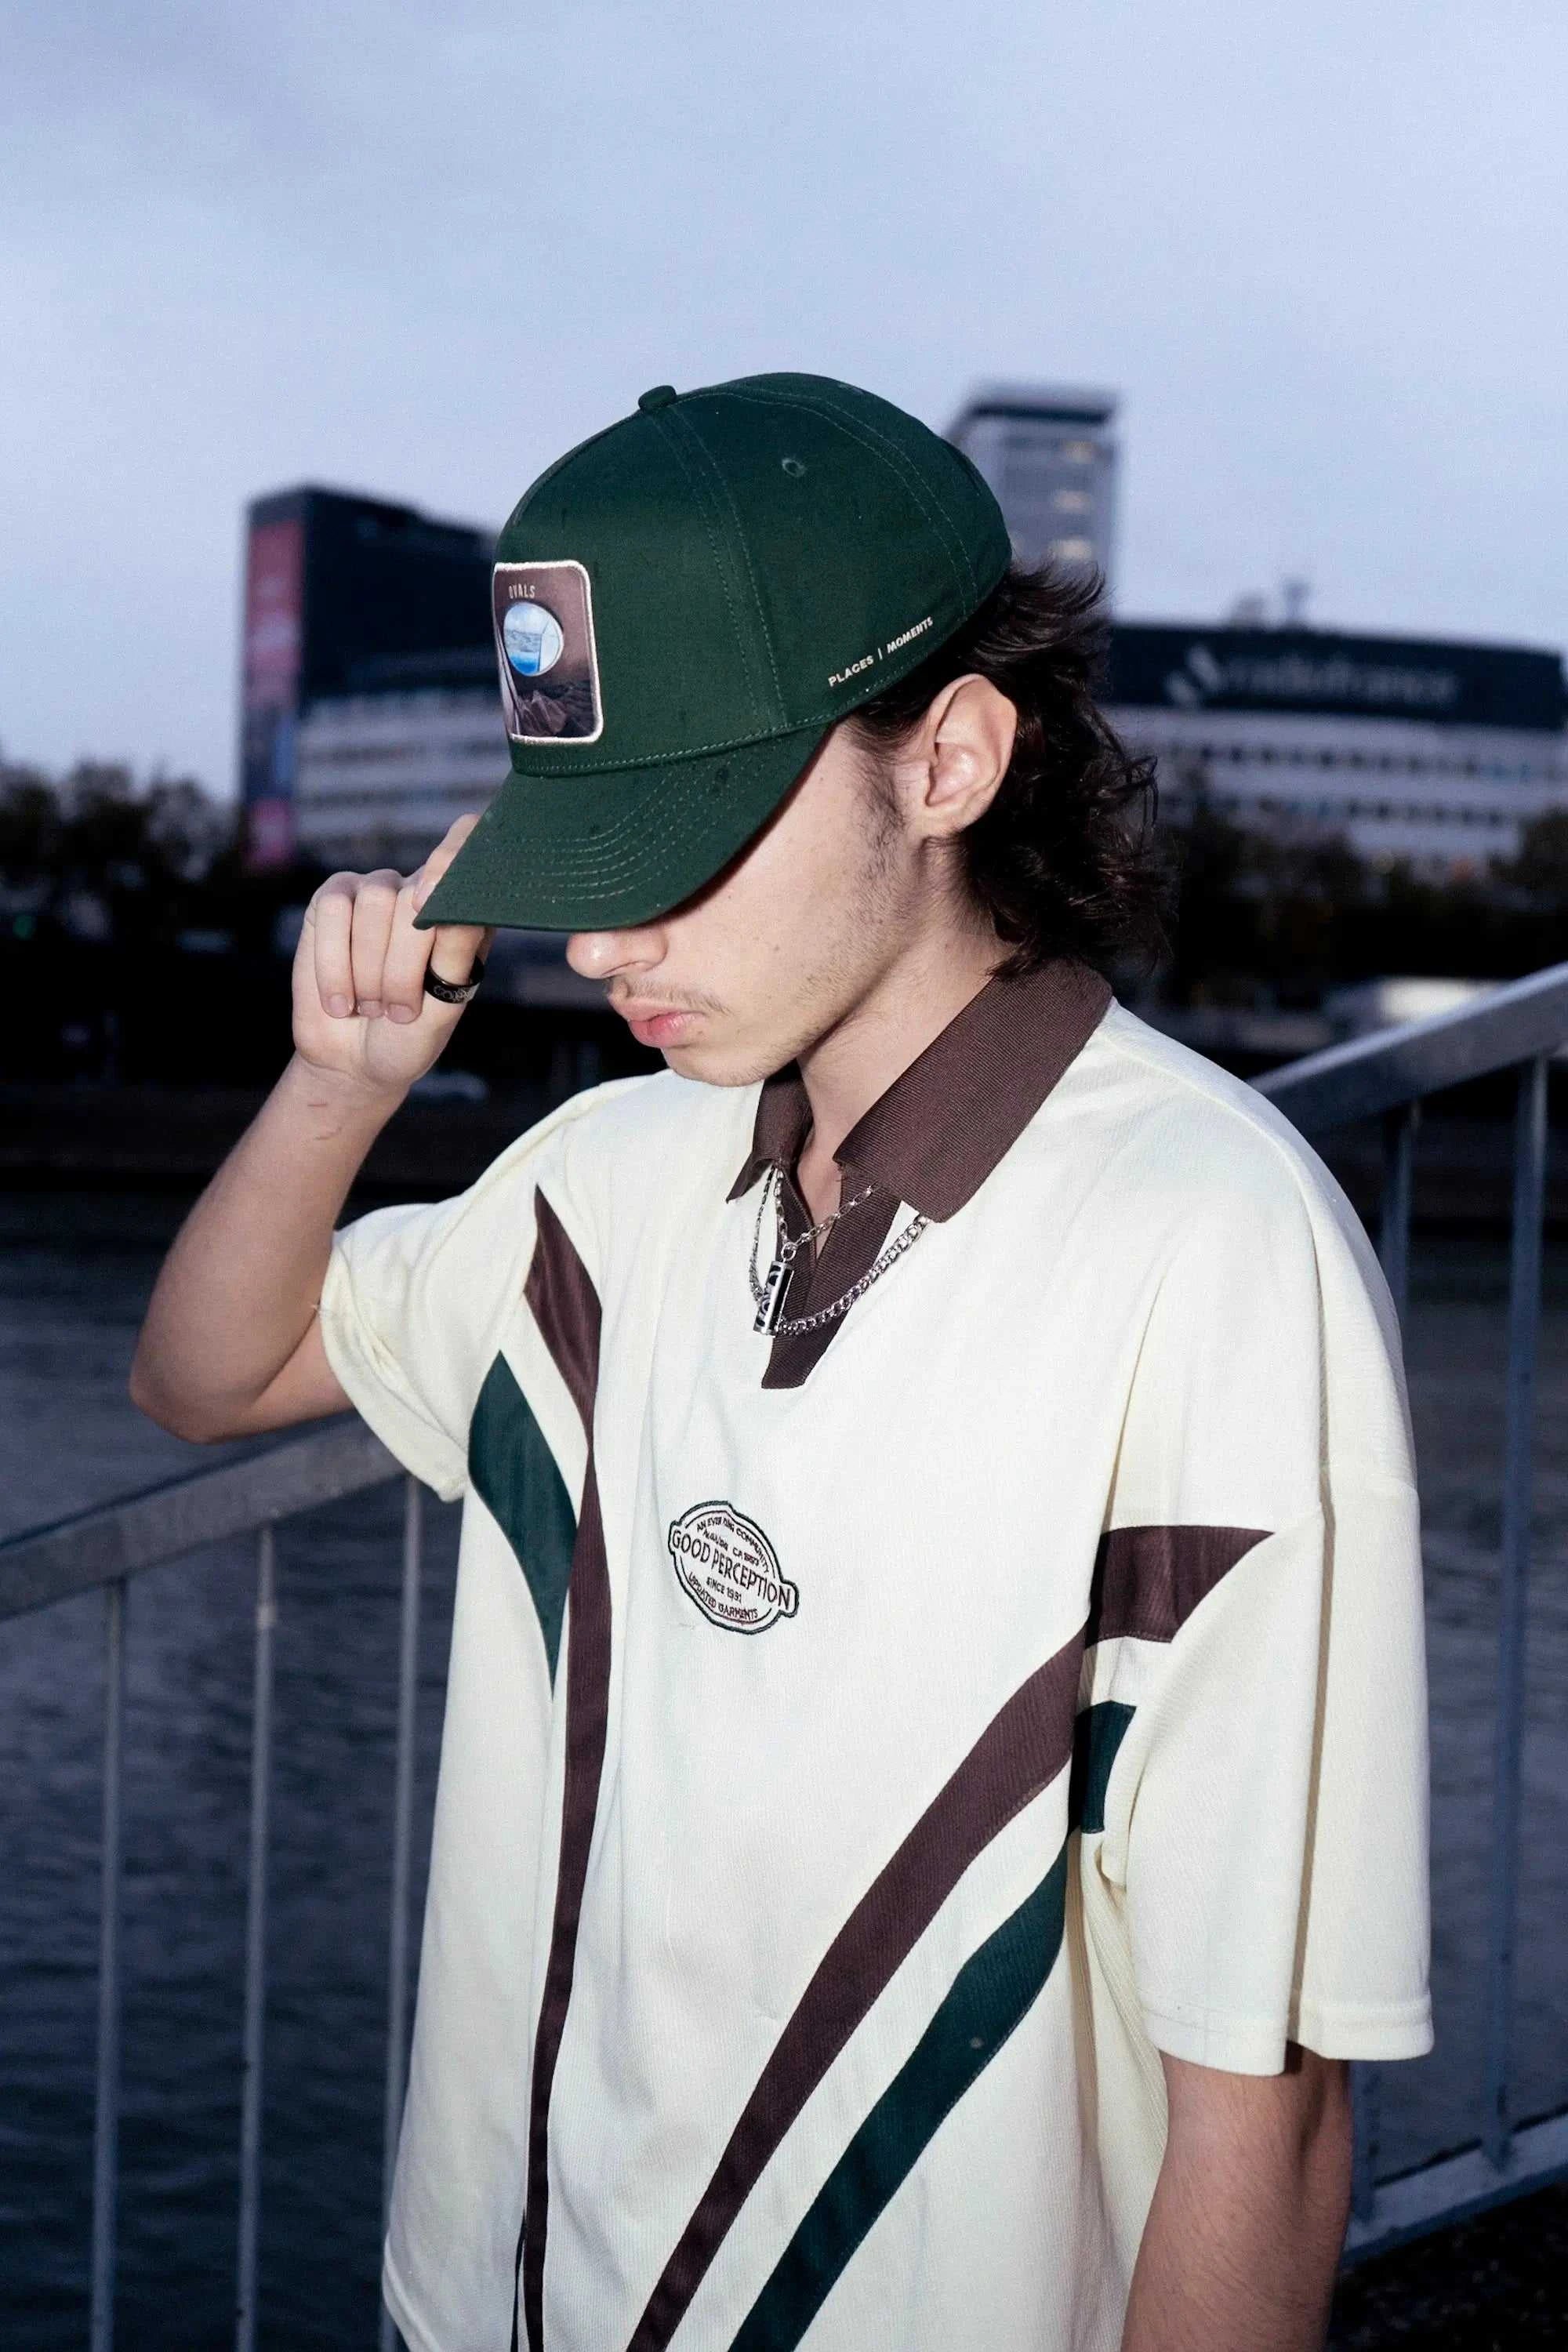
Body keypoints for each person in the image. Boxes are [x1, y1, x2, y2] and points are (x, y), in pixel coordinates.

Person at [132, 374, 1432, 2352]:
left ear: (950, 762)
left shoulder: (1214, 1248)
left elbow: (1262, 2108)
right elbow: (208, 1378)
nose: (602, 942)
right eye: (588, 849)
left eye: (691, 836)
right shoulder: (609, 1174)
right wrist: (338, 1088)